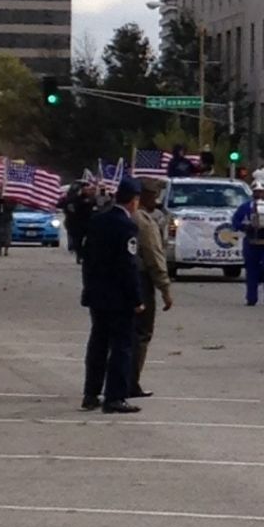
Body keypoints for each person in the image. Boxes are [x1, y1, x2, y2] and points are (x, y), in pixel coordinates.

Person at [80, 177, 144, 413]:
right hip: (118, 297)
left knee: (98, 343)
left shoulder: (97, 220)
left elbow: (86, 258)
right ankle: (114, 396)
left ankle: (90, 393)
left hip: (97, 293)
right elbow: (128, 265)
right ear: (134, 201)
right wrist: (137, 298)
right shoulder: (126, 226)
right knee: (121, 346)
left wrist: (88, 288)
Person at [131, 179, 174, 398]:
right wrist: (165, 288)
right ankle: (131, 382)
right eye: (152, 196)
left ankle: (110, 382)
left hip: (116, 282)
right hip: (140, 281)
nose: (155, 201)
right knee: (141, 334)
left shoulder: (113, 216)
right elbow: (154, 257)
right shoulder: (144, 222)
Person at [64, 182, 98, 264]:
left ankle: (86, 255)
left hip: (89, 223)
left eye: (88, 189)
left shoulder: (93, 199)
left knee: (90, 241)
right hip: (78, 224)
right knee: (77, 242)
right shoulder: (75, 199)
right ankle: (80, 256)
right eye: (85, 189)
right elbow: (70, 209)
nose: (87, 191)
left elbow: (98, 207)